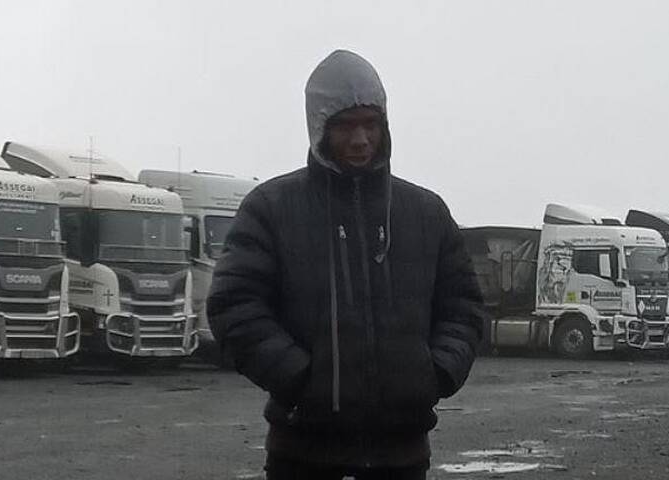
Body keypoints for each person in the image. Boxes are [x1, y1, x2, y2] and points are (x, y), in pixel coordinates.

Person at [207, 49, 483, 479]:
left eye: (370, 124)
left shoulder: (425, 213)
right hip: (303, 453)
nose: (360, 139)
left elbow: (463, 307)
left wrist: (436, 373)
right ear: (319, 127)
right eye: (345, 126)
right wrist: (298, 378)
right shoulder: (272, 208)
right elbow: (234, 305)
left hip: (401, 455)